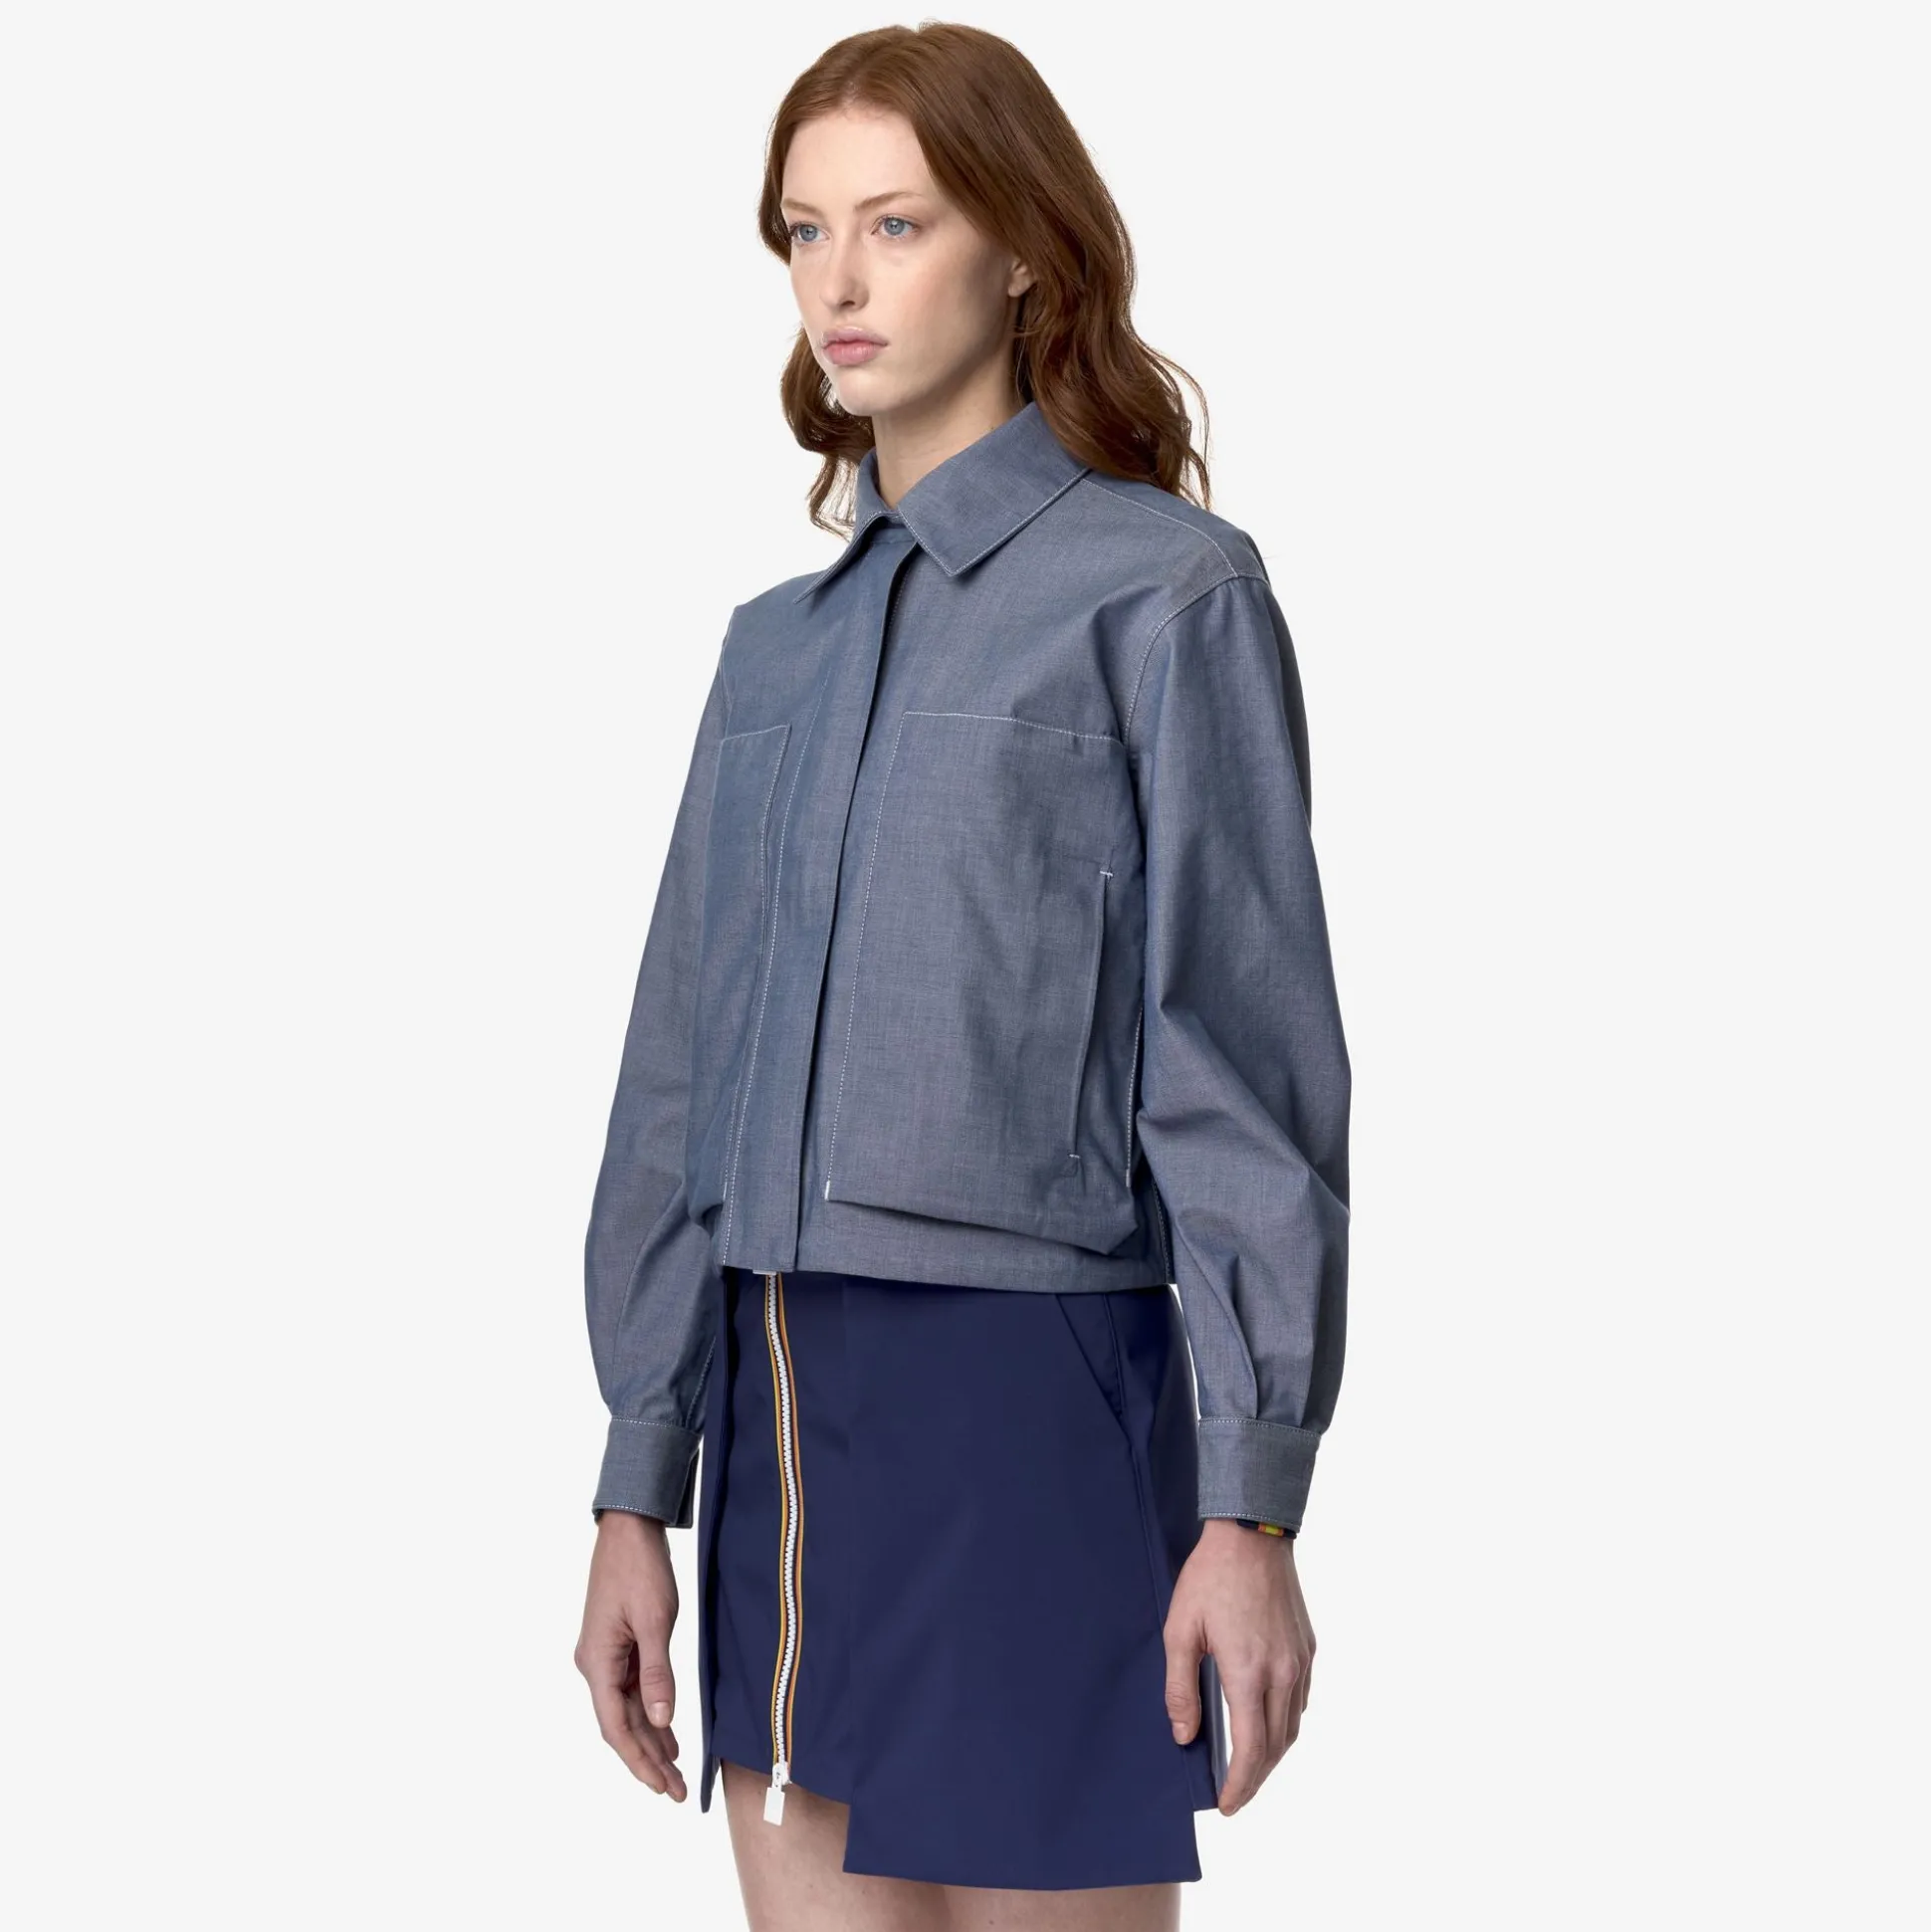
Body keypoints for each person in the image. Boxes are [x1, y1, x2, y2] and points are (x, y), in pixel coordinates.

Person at [572, 22, 1351, 1930]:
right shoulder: (771, 650)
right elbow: (676, 1074)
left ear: (1021, 250)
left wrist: (1250, 1505)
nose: (838, 279)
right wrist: (634, 1484)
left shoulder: (1169, 597)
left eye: (897, 223)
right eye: (804, 229)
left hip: (1032, 1407)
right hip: (774, 1405)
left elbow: (1242, 1078)